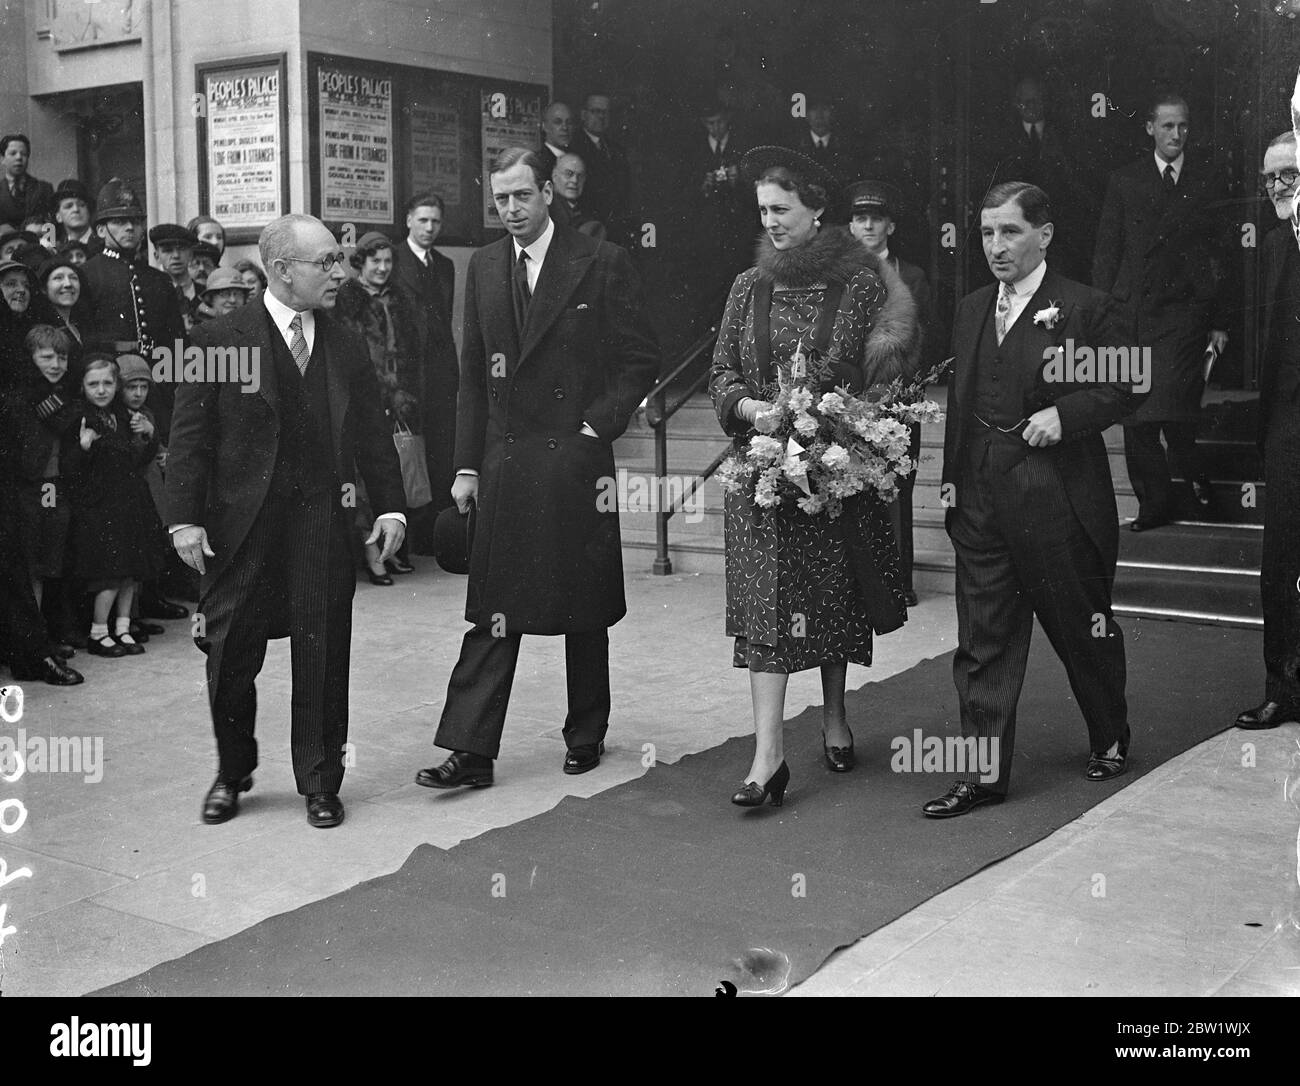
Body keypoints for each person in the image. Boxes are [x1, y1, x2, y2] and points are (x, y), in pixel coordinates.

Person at [415, 147, 659, 790]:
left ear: (548, 193)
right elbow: (473, 373)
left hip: (574, 460)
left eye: (522, 196)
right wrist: (465, 465)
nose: (511, 210)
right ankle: (470, 752)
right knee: (493, 604)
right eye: (500, 199)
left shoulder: (603, 262)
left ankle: (586, 733)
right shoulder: (488, 265)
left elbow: (639, 359)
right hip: (505, 458)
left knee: (583, 601)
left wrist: (593, 426)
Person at [165, 213, 407, 829]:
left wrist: (390, 505)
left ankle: (321, 780)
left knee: (323, 650)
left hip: (321, 521)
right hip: (238, 529)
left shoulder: (346, 341)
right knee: (226, 653)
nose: (340, 271)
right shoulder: (217, 341)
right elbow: (189, 439)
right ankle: (233, 770)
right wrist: (183, 522)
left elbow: (374, 433)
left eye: (339, 260)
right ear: (280, 270)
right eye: (325, 262)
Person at [924, 181, 1142, 819]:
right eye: (988, 232)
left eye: (1010, 232)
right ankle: (982, 774)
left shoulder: (1084, 307)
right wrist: (954, 485)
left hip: (1056, 496)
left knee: (1081, 625)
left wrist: (1067, 415)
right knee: (982, 639)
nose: (996, 246)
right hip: (982, 498)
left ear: (1043, 235)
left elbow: (1129, 381)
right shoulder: (968, 310)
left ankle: (1109, 733)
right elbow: (962, 405)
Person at [708, 146, 913, 807]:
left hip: (829, 470)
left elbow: (851, 367)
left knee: (828, 599)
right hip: (761, 471)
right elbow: (721, 373)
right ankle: (767, 757)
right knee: (768, 609)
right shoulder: (747, 286)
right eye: (762, 210)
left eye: (783, 208)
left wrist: (814, 424)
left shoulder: (857, 285)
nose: (770, 222)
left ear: (818, 209)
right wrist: (750, 408)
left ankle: (832, 715)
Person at [1092, 91, 1231, 532]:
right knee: (1136, 416)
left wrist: (1219, 321)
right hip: (1132, 312)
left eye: (1183, 126)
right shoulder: (1126, 180)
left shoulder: (1205, 181)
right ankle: (1154, 504)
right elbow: (1106, 249)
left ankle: (1195, 477)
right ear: (1150, 128)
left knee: (1173, 406)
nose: (1177, 134)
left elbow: (1221, 254)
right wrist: (1102, 312)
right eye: (1168, 126)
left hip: (1184, 313)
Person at [1236, 131, 1300, 730]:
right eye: (1269, 178)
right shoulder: (1279, 243)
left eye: (1290, 175)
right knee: (1280, 558)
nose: (1276, 188)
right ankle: (1283, 687)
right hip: (1287, 420)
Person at [847, 178, 931, 607]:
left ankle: (899, 581)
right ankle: (862, 579)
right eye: (859, 218)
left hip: (898, 399)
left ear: (890, 227)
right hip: (850, 399)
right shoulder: (841, 275)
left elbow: (921, 339)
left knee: (897, 488)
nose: (867, 226)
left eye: (875, 219)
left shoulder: (911, 276)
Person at [62, 353, 163, 659]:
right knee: (110, 574)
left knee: (130, 572)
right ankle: (98, 632)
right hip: (100, 508)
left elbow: (136, 461)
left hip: (128, 504)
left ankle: (122, 627)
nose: (102, 390)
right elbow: (70, 470)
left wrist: (149, 435)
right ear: (82, 386)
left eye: (108, 383)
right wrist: (83, 447)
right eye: (94, 384)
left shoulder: (119, 416)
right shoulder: (80, 418)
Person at [335, 230, 422, 582]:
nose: (383, 268)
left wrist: (403, 393)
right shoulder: (347, 300)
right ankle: (373, 554)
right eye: (376, 261)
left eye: (388, 261)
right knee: (363, 480)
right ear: (360, 262)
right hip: (362, 398)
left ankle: (393, 548)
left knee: (395, 470)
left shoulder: (398, 299)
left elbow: (409, 352)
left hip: (397, 398)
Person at [79, 178, 188, 440]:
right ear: (101, 230)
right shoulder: (86, 275)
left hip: (155, 386)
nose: (129, 227)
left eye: (136, 221)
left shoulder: (159, 280)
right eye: (118, 221)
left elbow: (176, 343)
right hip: (109, 386)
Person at [391, 193, 458, 539]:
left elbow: (444, 324)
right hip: (408, 370)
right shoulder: (394, 259)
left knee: (442, 446)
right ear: (408, 221)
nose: (430, 228)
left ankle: (439, 529)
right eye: (423, 220)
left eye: (435, 221)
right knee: (412, 449)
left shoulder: (444, 265)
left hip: (441, 372)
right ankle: (415, 532)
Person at [574, 93, 632, 245]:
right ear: (583, 114)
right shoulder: (573, 147)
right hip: (589, 230)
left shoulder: (616, 149)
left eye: (605, 112)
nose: (601, 116)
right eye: (595, 111)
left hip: (615, 230)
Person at [149, 223, 201, 331]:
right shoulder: (151, 294)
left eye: (181, 249)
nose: (176, 256)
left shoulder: (205, 293)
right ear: (157, 256)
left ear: (191, 255)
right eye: (168, 250)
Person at [0, 135, 55, 230]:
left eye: (23, 154)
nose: (19, 157)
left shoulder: (44, 189)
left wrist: (42, 229)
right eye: (13, 153)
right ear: (2, 159)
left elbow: (54, 227)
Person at [551, 152, 606, 240]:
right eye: (569, 174)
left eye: (580, 176)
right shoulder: (546, 210)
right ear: (554, 176)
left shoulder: (587, 211)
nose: (575, 180)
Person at [54, 179, 101, 256]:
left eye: (81, 205)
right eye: (68, 206)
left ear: (89, 212)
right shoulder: (57, 249)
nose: (76, 209)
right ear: (58, 217)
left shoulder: (103, 244)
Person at [536, 101, 574, 181]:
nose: (565, 127)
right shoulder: (538, 163)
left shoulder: (576, 159)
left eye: (569, 122)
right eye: (558, 122)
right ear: (545, 126)